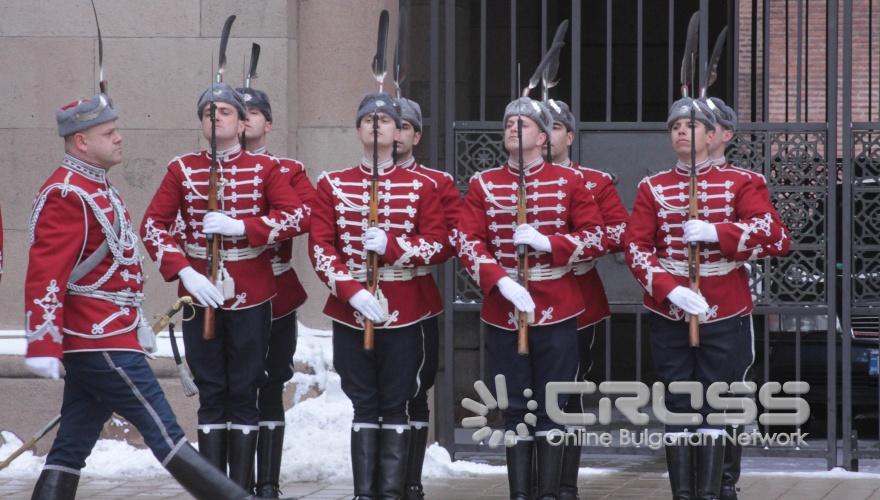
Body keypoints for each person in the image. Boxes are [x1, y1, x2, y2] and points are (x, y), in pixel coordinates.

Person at [24, 93, 265, 500]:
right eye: (109, 133)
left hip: (107, 335)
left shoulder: (94, 185)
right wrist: (42, 341)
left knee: (70, 448)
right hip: (100, 341)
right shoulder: (67, 193)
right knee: (166, 435)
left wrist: (133, 322)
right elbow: (46, 272)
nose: (119, 138)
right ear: (81, 141)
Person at [140, 82, 308, 488]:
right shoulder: (182, 169)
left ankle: (243, 490)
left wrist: (243, 227)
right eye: (207, 113)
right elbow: (153, 225)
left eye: (225, 112)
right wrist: (185, 272)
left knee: (246, 389)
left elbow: (297, 215)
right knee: (212, 390)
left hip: (252, 290)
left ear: (242, 121)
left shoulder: (265, 169)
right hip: (200, 290)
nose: (215, 118)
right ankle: (216, 489)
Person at [623, 97, 790, 499]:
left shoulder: (743, 182)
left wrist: (718, 232)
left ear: (714, 135)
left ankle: (717, 489)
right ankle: (684, 493)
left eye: (690, 126)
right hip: (670, 308)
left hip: (725, 305)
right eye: (675, 126)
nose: (680, 131)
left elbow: (775, 235)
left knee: (721, 398)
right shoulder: (653, 187)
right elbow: (636, 247)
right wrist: (670, 289)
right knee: (678, 399)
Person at [454, 96, 606, 500]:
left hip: (558, 306)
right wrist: (499, 281)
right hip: (503, 308)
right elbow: (467, 239)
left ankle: (552, 493)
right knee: (515, 408)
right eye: (508, 122)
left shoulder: (570, 181)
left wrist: (549, 242)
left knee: (553, 404)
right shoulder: (484, 183)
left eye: (522, 123)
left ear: (543, 137)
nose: (512, 128)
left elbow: (595, 237)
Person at [308, 93, 447, 499]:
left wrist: (392, 245)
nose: (376, 125)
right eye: (368, 119)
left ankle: (392, 492)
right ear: (357, 129)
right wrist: (350, 292)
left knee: (397, 401)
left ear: (398, 131)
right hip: (351, 308)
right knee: (363, 403)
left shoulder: (422, 186)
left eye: (385, 120)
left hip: (405, 306)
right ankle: (364, 494)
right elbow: (320, 245)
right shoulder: (333, 184)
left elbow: (440, 243)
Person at [545, 99, 629, 500]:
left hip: (577, 293)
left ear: (570, 136)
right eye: (540, 126)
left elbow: (620, 231)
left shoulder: (594, 182)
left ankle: (564, 484)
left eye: (555, 127)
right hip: (522, 297)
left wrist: (574, 245)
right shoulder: (505, 183)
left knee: (569, 390)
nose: (546, 135)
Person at [237, 85, 317, 498]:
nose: (244, 119)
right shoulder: (206, 170)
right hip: (228, 289)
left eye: (253, 112)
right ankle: (233, 483)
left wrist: (253, 224)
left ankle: (267, 483)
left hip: (275, 289)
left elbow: (309, 215)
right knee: (233, 387)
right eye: (238, 112)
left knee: (270, 384)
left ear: (268, 124)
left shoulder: (288, 169)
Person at [392, 96, 460, 500]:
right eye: (388, 125)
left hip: (416, 294)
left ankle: (411, 481)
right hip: (363, 299)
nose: (395, 134)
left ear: (416, 136)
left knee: (417, 391)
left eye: (403, 127)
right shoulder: (352, 181)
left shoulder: (437, 182)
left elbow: (452, 238)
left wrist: (400, 248)